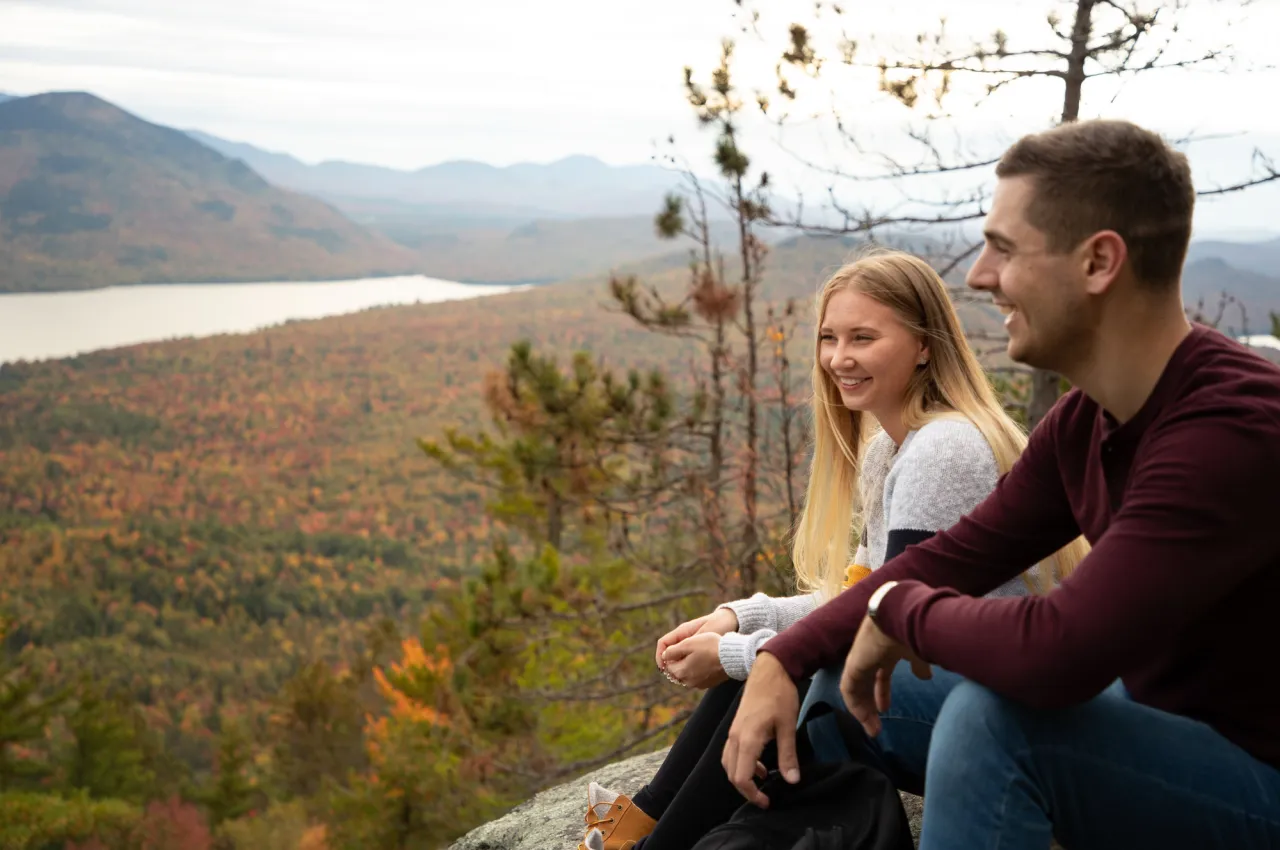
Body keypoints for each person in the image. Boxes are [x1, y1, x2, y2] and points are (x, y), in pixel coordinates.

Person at [722, 119, 1280, 850]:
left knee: (996, 723)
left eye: (1005, 249)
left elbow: (1060, 650)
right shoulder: (1085, 421)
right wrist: (783, 655)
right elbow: (948, 558)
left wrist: (895, 608)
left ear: (1098, 261)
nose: (980, 275)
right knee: (831, 690)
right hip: (1160, 717)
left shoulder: (1231, 429)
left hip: (1258, 776)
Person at [576, 248, 1085, 850]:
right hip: (943, 686)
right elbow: (859, 600)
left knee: (788, 676)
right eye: (829, 338)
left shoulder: (944, 450)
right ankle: (647, 824)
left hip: (983, 707)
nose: (839, 358)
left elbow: (887, 637)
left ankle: (652, 841)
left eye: (863, 338)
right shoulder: (891, 449)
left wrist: (744, 655)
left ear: (924, 344)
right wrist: (744, 617)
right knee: (770, 662)